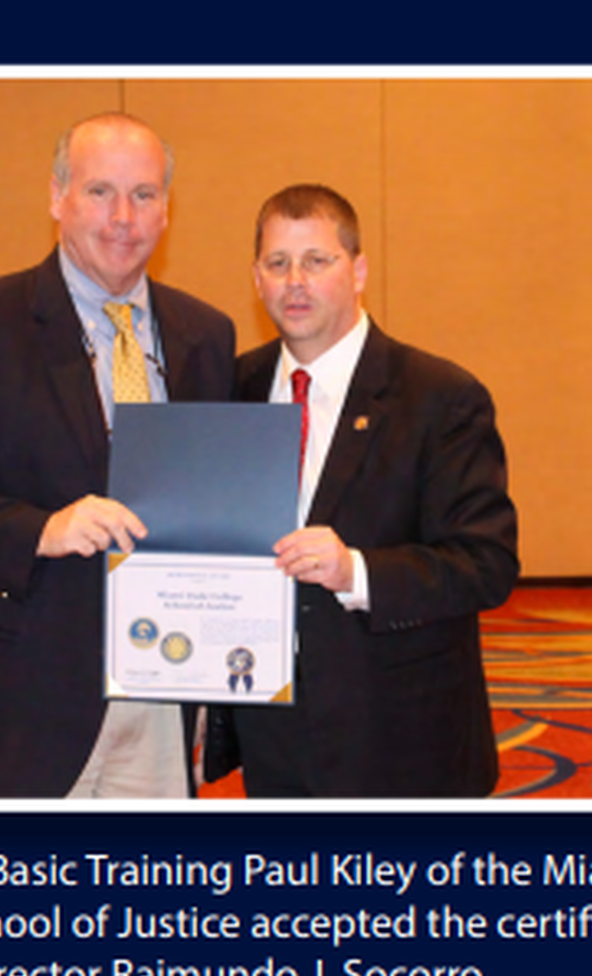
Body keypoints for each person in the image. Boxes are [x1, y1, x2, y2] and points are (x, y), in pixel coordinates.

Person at [0, 114, 236, 798]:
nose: (123, 217)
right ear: (56, 197)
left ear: (167, 208)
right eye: (100, 192)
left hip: (156, 697)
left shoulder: (205, 335)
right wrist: (41, 529)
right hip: (9, 699)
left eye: (145, 194)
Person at [221, 184, 518, 798]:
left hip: (402, 734)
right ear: (257, 279)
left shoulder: (440, 398)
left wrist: (355, 569)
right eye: (278, 264)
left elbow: (486, 565)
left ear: (357, 271)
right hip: (270, 730)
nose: (295, 281)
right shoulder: (230, 389)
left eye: (317, 261)